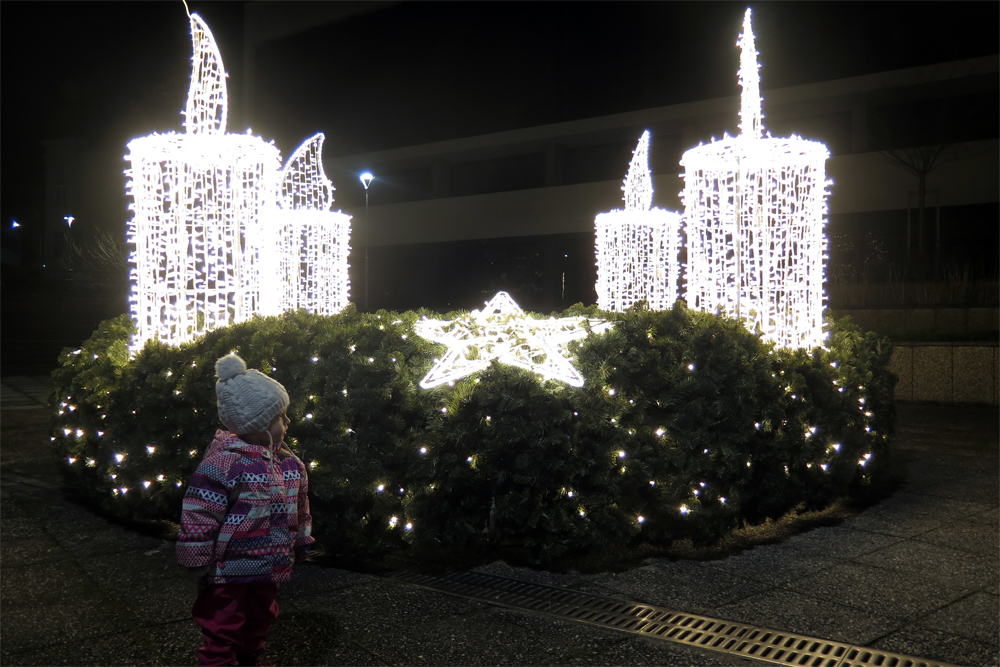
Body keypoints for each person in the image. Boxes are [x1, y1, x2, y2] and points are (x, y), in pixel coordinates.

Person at [177, 353, 314, 667]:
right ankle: (219, 662)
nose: (288, 422)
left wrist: (302, 540)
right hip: (227, 571)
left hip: (269, 565)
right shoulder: (224, 464)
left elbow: (301, 506)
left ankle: (251, 656)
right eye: (281, 416)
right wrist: (196, 557)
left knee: (260, 617)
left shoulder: (290, 464)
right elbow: (199, 511)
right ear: (255, 424)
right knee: (222, 624)